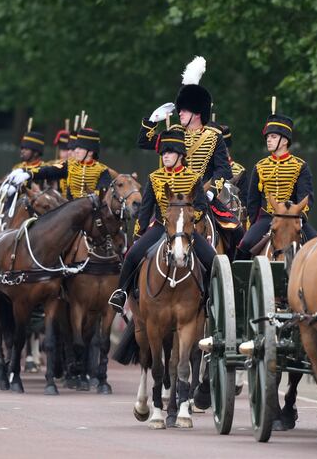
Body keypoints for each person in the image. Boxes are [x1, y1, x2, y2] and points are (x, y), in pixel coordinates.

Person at [108, 129, 215, 313]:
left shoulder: (193, 177)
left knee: (212, 259)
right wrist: (139, 233)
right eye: (163, 153)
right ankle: (121, 292)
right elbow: (146, 209)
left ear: (180, 155)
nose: (165, 156)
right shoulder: (155, 178)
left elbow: (201, 206)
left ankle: (209, 298)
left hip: (186, 229)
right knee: (132, 255)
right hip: (160, 227)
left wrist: (187, 220)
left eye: (169, 152)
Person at [137, 57, 232, 189]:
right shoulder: (174, 132)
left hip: (202, 195)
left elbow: (224, 170)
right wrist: (152, 121)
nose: (180, 113)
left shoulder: (214, 137)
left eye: (185, 110)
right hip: (172, 194)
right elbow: (144, 142)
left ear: (197, 112)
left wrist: (210, 193)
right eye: (179, 109)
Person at [236, 113, 317, 259]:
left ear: (285, 140)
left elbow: (306, 196)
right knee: (245, 244)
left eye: (273, 137)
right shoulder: (260, 166)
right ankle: (241, 281)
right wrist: (252, 225)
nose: (268, 140)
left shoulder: (300, 166)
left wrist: (298, 217)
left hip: (293, 218)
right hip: (268, 218)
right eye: (267, 137)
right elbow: (253, 202)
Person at [28, 128, 113, 199]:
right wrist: (29, 173)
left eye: (80, 148)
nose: (76, 151)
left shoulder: (102, 170)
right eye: (76, 148)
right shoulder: (69, 165)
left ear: (90, 152)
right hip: (70, 210)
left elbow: (103, 192)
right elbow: (49, 171)